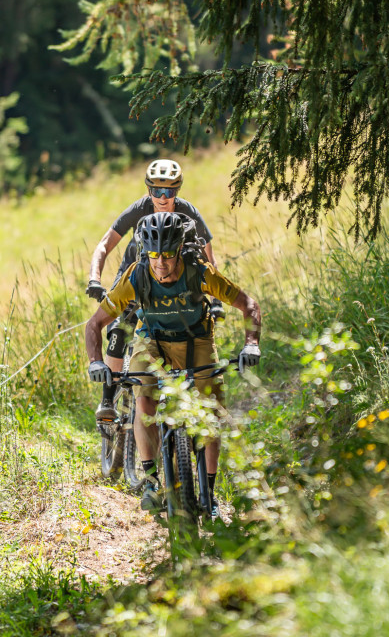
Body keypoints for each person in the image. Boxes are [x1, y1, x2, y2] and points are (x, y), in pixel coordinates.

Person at [85, 210, 261, 518]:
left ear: (180, 249)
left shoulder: (200, 272)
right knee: (145, 402)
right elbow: (95, 323)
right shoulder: (137, 275)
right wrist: (96, 362)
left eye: (167, 255)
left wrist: (251, 344)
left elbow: (248, 304)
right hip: (151, 341)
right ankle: (152, 481)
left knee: (210, 415)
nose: (160, 263)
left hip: (197, 341)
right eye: (153, 255)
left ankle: (210, 492)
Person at [85, 158, 224, 421]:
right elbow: (104, 244)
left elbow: (209, 259)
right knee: (119, 330)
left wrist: (215, 300)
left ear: (178, 191)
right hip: (135, 273)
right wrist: (95, 279)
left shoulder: (188, 211)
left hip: (169, 278)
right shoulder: (140, 208)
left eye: (169, 191)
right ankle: (107, 400)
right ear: (148, 190)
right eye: (156, 191)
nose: (163, 197)